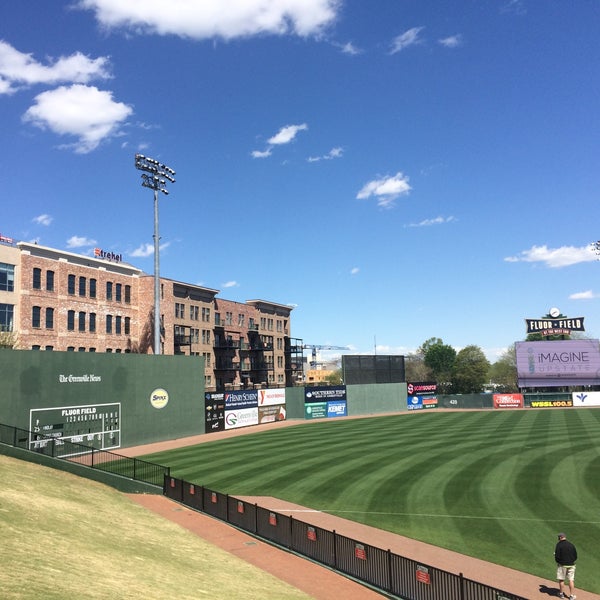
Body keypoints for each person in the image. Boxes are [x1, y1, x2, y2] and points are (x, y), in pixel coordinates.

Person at [554, 532, 577, 599]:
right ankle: (572, 596)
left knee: (561, 579)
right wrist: (571, 561)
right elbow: (575, 556)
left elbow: (557, 556)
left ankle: (561, 594)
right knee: (571, 580)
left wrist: (559, 562)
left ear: (561, 537)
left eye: (558, 537)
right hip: (571, 565)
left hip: (562, 565)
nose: (558, 538)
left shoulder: (559, 545)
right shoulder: (571, 545)